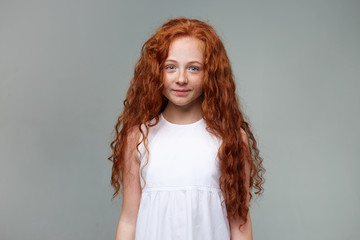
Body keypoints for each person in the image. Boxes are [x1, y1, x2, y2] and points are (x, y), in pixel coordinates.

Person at [108, 17, 265, 240]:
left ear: (210, 75)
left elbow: (240, 223)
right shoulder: (139, 137)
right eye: (170, 67)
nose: (181, 78)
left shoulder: (231, 139)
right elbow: (128, 219)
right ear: (155, 72)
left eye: (193, 68)